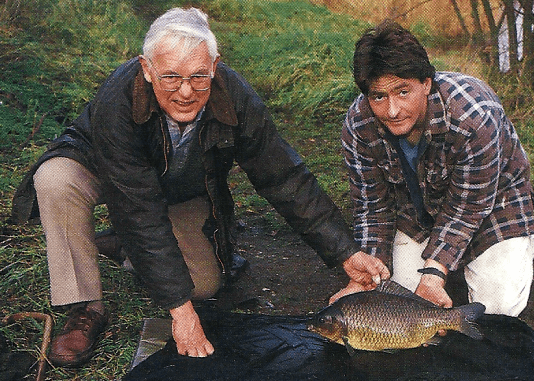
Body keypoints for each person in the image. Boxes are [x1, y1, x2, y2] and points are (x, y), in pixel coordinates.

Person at [10, 8, 389, 366]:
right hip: (102, 170)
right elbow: (138, 207)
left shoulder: (235, 97)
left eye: (198, 76)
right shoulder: (117, 100)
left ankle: (123, 244)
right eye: (171, 76)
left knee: (202, 286)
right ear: (146, 69)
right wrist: (179, 311)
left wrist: (345, 253)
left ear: (215, 66)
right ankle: (84, 306)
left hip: (177, 187)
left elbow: (284, 177)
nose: (186, 91)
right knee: (55, 180)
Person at [332, 19, 534, 317]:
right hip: (418, 213)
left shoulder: (476, 117)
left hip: (493, 207)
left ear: (426, 83)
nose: (392, 110)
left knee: (498, 309)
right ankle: (446, 265)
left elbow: (468, 209)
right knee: (396, 302)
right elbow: (372, 207)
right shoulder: (358, 124)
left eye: (403, 92)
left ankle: (473, 261)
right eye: (379, 96)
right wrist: (367, 276)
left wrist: (433, 274)